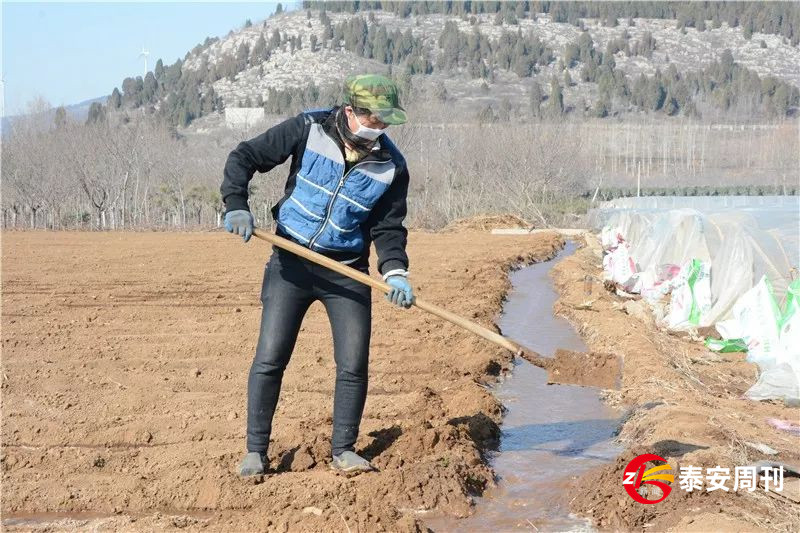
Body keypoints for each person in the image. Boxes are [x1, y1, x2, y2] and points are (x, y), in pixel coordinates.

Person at [220, 74, 414, 476]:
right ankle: (256, 451)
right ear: (350, 112)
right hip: (290, 263)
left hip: (347, 273)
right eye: (373, 121)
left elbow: (388, 228)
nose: (378, 130)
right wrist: (237, 203)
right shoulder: (307, 128)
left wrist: (395, 271)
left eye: (385, 123)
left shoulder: (391, 166)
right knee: (271, 357)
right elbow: (244, 156)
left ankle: (343, 449)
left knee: (353, 363)